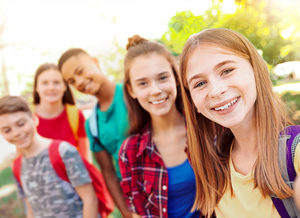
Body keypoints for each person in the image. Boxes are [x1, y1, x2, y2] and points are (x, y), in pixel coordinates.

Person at [179, 28, 300, 217]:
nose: (216, 91)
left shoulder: (295, 152)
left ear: (255, 69)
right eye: (200, 83)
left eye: (227, 71)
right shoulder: (214, 167)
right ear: (193, 102)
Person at [118, 35, 200, 218]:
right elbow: (137, 213)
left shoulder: (206, 129)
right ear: (132, 90)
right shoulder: (130, 152)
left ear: (176, 78)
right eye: (143, 83)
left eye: (162, 78)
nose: (155, 90)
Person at [58, 48, 132, 218]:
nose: (79, 82)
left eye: (80, 71)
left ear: (95, 61)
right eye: (72, 81)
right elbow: (109, 174)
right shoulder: (92, 125)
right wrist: (127, 214)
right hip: (136, 200)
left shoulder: (132, 94)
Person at [0, 95, 98, 218]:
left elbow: (90, 199)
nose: (16, 133)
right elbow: (30, 209)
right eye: (7, 130)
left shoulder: (63, 151)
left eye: (20, 124)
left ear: (34, 119)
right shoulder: (17, 166)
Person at [32, 63, 91, 161]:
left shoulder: (76, 115)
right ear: (36, 87)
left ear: (65, 86)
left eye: (56, 82)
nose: (51, 87)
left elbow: (86, 159)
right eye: (45, 83)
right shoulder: (28, 118)